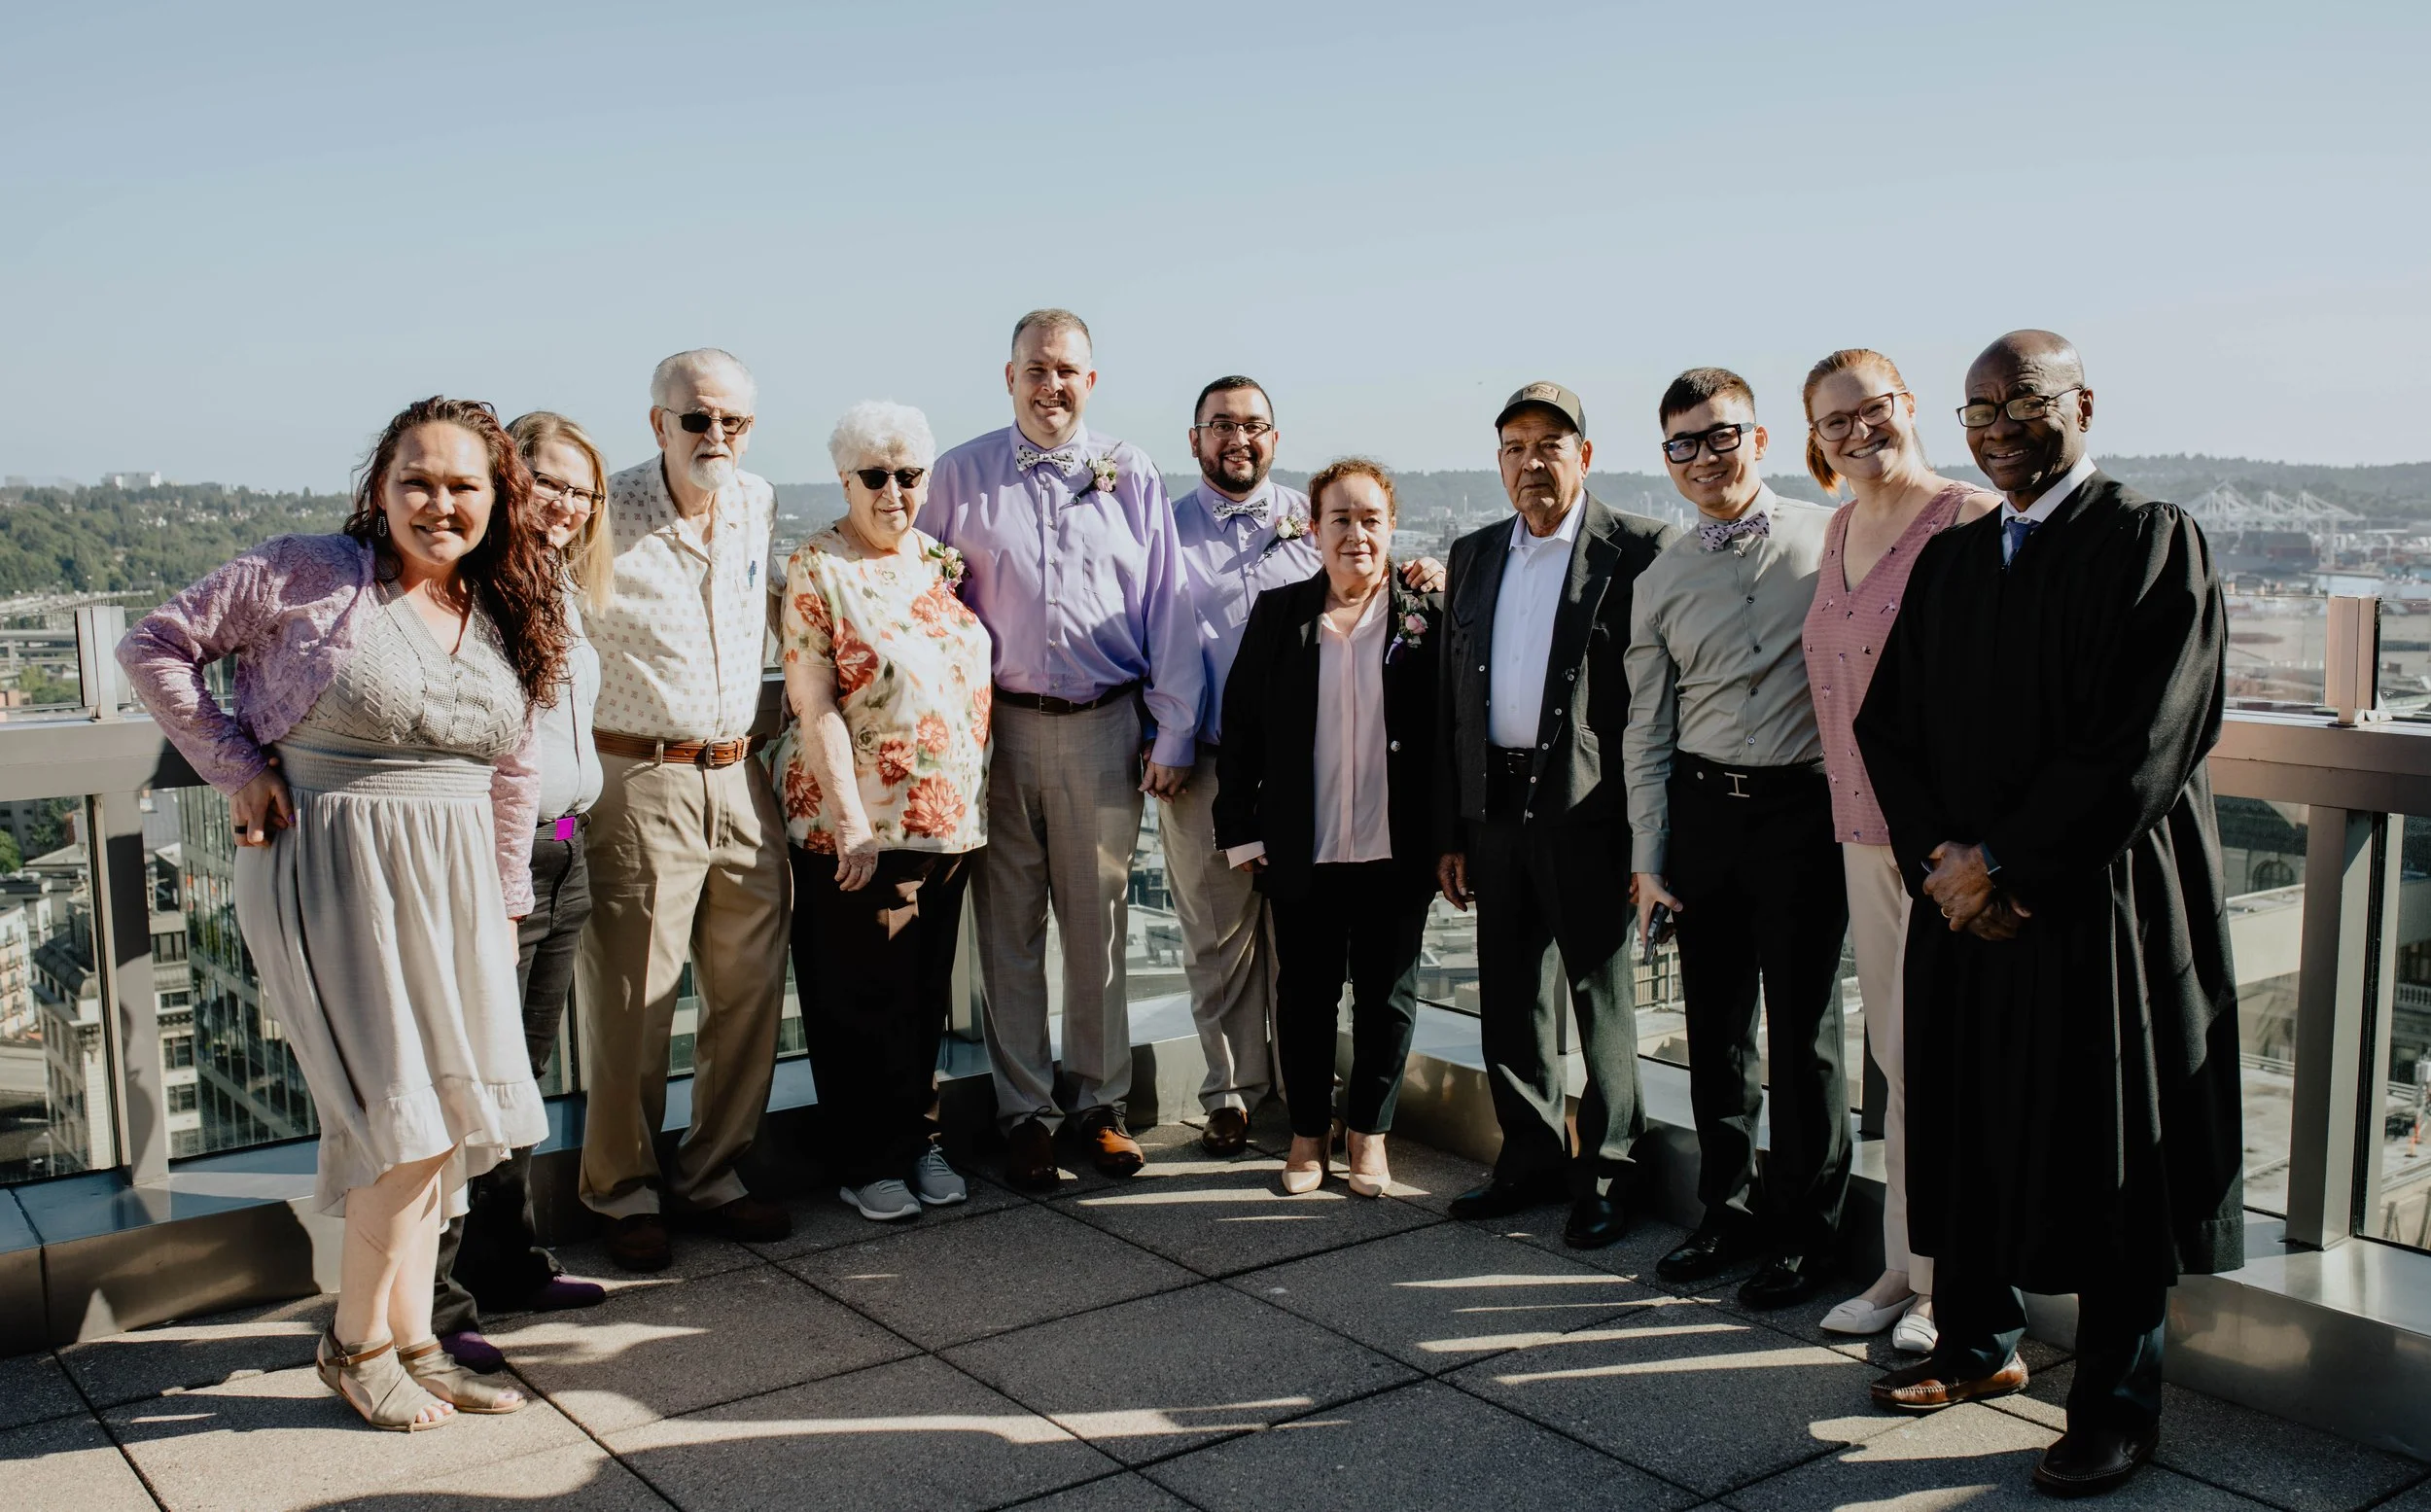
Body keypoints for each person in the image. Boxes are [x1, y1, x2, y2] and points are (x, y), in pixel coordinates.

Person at [119, 396, 560, 1429]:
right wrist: (234, 768)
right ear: (380, 484)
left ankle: (414, 1340)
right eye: (417, 478)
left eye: (463, 485)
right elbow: (154, 646)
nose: (438, 502)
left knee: (443, 1119)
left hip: (455, 883)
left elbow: (513, 773)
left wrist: (503, 901)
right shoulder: (305, 570)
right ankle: (353, 1343)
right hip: (335, 864)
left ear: (497, 499)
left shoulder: (501, 605)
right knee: (396, 1114)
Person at [1855, 332, 2243, 1497]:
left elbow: (2149, 736)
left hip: (2097, 902)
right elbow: (1889, 725)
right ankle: (1977, 1344)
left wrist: (2009, 864)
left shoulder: (2147, 539)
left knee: (2108, 1147)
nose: (1997, 427)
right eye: (1977, 412)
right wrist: (1944, 860)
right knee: (1967, 1119)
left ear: (2081, 403)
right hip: (1962, 901)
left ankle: (2117, 1402)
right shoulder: (1956, 558)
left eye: (2019, 403)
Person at [920, 309, 1203, 1188]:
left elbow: (1170, 605)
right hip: (997, 732)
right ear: (1009, 377)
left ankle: (1100, 1104)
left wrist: (1174, 725)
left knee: (1102, 927)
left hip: (1105, 727)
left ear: (1092, 381)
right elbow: (922, 599)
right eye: (1036, 369)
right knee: (1007, 930)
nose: (1052, 385)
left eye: (1069, 370)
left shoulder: (1134, 474)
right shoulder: (957, 475)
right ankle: (1025, 1113)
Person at [1167, 377, 1443, 1156]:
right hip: (1305, 842)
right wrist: (1242, 830)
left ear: (1394, 526)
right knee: (1306, 994)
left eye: (1371, 519)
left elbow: (1449, 737)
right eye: (1340, 519)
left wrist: (1448, 839)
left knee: (1388, 998)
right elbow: (1245, 730)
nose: (1356, 534)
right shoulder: (1282, 614)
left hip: (1395, 846)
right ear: (1313, 528)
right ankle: (1307, 1139)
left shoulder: (1429, 618)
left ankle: (1370, 1136)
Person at [1626, 369, 1850, 1309]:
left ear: (1760, 439)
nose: (1706, 457)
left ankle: (1808, 1233)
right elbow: (1647, 727)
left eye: (1723, 436)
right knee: (1715, 1034)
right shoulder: (1661, 579)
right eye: (1685, 443)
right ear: (1667, 459)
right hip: (1705, 817)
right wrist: (1648, 856)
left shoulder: (1832, 537)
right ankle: (1728, 1209)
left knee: (1805, 1038)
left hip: (1805, 816)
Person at [1435, 382, 1676, 1248]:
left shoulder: (1641, 548)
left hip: (1592, 810)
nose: (1531, 462)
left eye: (1549, 444)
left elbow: (1662, 701)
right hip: (1492, 807)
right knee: (1509, 993)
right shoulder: (1470, 554)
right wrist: (1453, 831)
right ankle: (1527, 1158)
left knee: (1599, 994)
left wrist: (1649, 836)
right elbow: (1449, 700)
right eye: (1514, 447)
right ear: (1497, 463)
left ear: (1584, 454)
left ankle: (1610, 1172)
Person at [1796, 353, 1997, 1355]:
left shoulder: (1964, 521)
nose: (1856, 430)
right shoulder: (1836, 524)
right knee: (1896, 1058)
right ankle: (1902, 1265)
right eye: (1834, 421)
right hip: (1858, 829)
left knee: (1947, 1061)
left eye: (1871, 408)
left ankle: (1946, 1286)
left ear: (1909, 407)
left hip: (1938, 842)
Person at [578, 349, 792, 1270]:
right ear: (657, 422)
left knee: (747, 988)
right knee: (633, 997)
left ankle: (716, 1171)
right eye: (696, 419)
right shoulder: (598, 515)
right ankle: (621, 1189)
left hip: (741, 773)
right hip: (636, 777)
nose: (715, 437)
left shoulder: (757, 500)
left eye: (732, 423)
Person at [774, 402, 992, 1222]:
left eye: (908, 475)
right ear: (845, 479)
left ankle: (917, 1139)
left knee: (919, 997)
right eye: (875, 475)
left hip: (947, 826)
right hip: (855, 825)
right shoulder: (817, 566)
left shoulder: (938, 560)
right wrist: (851, 820)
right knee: (854, 997)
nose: (893, 491)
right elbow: (813, 701)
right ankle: (866, 1157)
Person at [431, 411, 616, 1371]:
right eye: (548, 481)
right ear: (508, 478)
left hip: (563, 846)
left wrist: (566, 834)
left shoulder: (556, 590)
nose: (567, 505)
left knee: (521, 1083)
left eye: (584, 491)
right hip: (495, 864)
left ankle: (509, 1262)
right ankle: (439, 1298)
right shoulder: (476, 591)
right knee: (470, 1083)